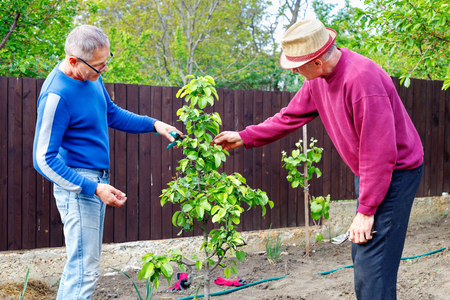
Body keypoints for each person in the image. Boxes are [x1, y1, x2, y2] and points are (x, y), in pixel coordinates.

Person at [213, 19, 424, 300]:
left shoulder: (362, 80)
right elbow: (290, 116)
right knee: (365, 253)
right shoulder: (319, 79)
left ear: (316, 61)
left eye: (297, 66)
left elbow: (380, 152)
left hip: (395, 170)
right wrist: (244, 136)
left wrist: (366, 210)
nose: (296, 72)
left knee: (373, 259)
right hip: (371, 170)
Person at [32, 25, 181, 300]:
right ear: (74, 60)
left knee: (80, 268)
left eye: (106, 61)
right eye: (99, 66)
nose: (104, 70)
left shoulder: (91, 77)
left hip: (95, 181)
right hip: (78, 185)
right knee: (84, 272)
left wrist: (155, 125)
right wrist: (92, 188)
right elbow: (43, 159)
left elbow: (111, 113)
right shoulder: (56, 95)